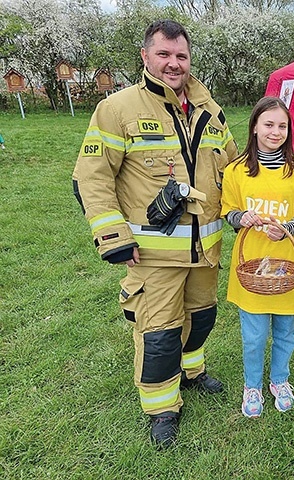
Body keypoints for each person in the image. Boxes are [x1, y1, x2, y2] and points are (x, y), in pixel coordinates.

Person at [72, 19, 238, 449]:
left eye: (180, 55)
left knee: (201, 319)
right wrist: (112, 237)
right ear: (145, 57)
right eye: (163, 55)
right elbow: (90, 178)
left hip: (206, 250)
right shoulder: (118, 108)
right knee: (160, 332)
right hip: (151, 255)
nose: (173, 63)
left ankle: (192, 373)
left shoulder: (210, 110)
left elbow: (237, 170)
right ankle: (162, 407)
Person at [221, 97, 294, 418]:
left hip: (286, 265)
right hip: (252, 266)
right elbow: (228, 211)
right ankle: (252, 385)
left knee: (286, 333)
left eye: (282, 126)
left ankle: (279, 380)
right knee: (254, 336)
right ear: (255, 127)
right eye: (269, 124)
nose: (275, 132)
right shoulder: (236, 170)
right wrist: (242, 217)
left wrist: (287, 227)